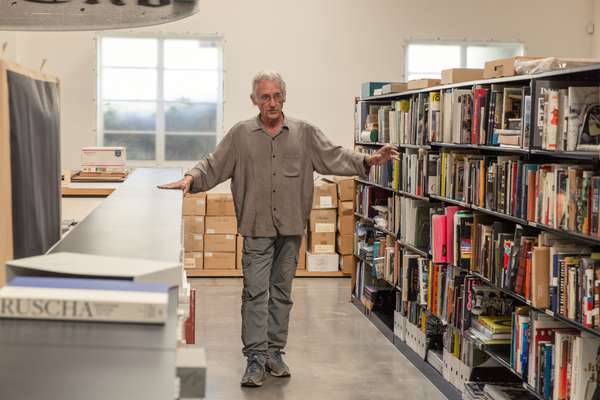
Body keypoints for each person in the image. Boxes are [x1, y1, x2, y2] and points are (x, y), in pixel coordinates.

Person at [159, 70, 397, 387]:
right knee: (255, 294)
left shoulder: (304, 133)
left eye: (276, 95)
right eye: (265, 96)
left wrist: (368, 161)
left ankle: (275, 353)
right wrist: (190, 178)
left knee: (282, 294)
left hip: (290, 227)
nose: (271, 102)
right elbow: (213, 164)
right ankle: (255, 358)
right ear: (254, 100)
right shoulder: (240, 135)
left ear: (283, 97)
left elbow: (334, 156)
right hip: (256, 228)